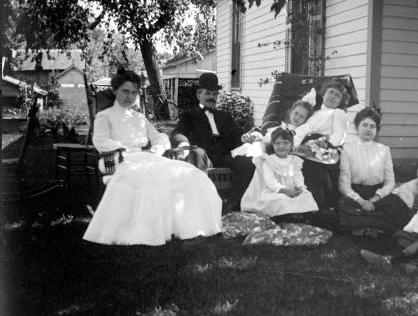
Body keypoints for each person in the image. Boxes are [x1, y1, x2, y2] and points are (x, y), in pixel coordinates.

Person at [83, 69, 222, 246]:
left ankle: (191, 226)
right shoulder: (104, 116)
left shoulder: (140, 118)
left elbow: (160, 138)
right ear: (115, 91)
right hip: (120, 159)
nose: (130, 96)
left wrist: (155, 151)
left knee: (188, 171)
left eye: (134, 92)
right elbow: (101, 141)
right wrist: (126, 150)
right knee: (145, 177)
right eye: (125, 91)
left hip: (147, 157)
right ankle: (145, 230)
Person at [171, 72, 250, 209]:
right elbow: (178, 132)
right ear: (198, 95)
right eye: (208, 93)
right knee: (196, 154)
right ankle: (200, 204)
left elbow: (237, 136)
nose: (211, 97)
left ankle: (231, 203)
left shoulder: (225, 116)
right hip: (204, 156)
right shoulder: (189, 115)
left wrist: (245, 138)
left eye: (214, 94)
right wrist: (184, 143)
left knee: (248, 162)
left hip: (225, 156)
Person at [338, 107, 412, 236]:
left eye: (372, 126)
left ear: (377, 130)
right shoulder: (347, 150)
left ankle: (365, 226)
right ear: (357, 128)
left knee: (396, 204)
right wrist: (360, 201)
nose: (368, 129)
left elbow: (390, 182)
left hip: (377, 193)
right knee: (344, 204)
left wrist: (376, 197)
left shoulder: (383, 150)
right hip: (356, 193)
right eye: (364, 125)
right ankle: (376, 226)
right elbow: (344, 184)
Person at [293, 79, 349, 210]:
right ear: (324, 94)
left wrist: (315, 146)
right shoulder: (315, 112)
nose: (333, 96)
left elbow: (338, 138)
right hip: (300, 147)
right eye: (331, 92)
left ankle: (314, 210)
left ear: (340, 102)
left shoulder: (338, 113)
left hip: (321, 151)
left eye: (337, 95)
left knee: (309, 173)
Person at [241, 128, 318, 218]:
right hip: (275, 191)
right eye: (277, 143)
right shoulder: (269, 161)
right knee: (281, 199)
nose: (281, 146)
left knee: (306, 196)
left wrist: (299, 187)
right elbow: (270, 182)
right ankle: (284, 217)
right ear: (273, 145)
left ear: (291, 145)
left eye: (285, 143)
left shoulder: (294, 161)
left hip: (292, 190)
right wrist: (284, 190)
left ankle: (298, 215)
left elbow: (298, 176)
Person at [231, 100, 314, 158]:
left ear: (305, 120)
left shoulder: (299, 132)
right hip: (266, 148)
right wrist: (256, 137)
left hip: (275, 155)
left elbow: (290, 146)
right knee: (247, 148)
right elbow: (267, 138)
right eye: (296, 113)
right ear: (291, 112)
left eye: (302, 117)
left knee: (252, 154)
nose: (297, 117)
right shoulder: (281, 126)